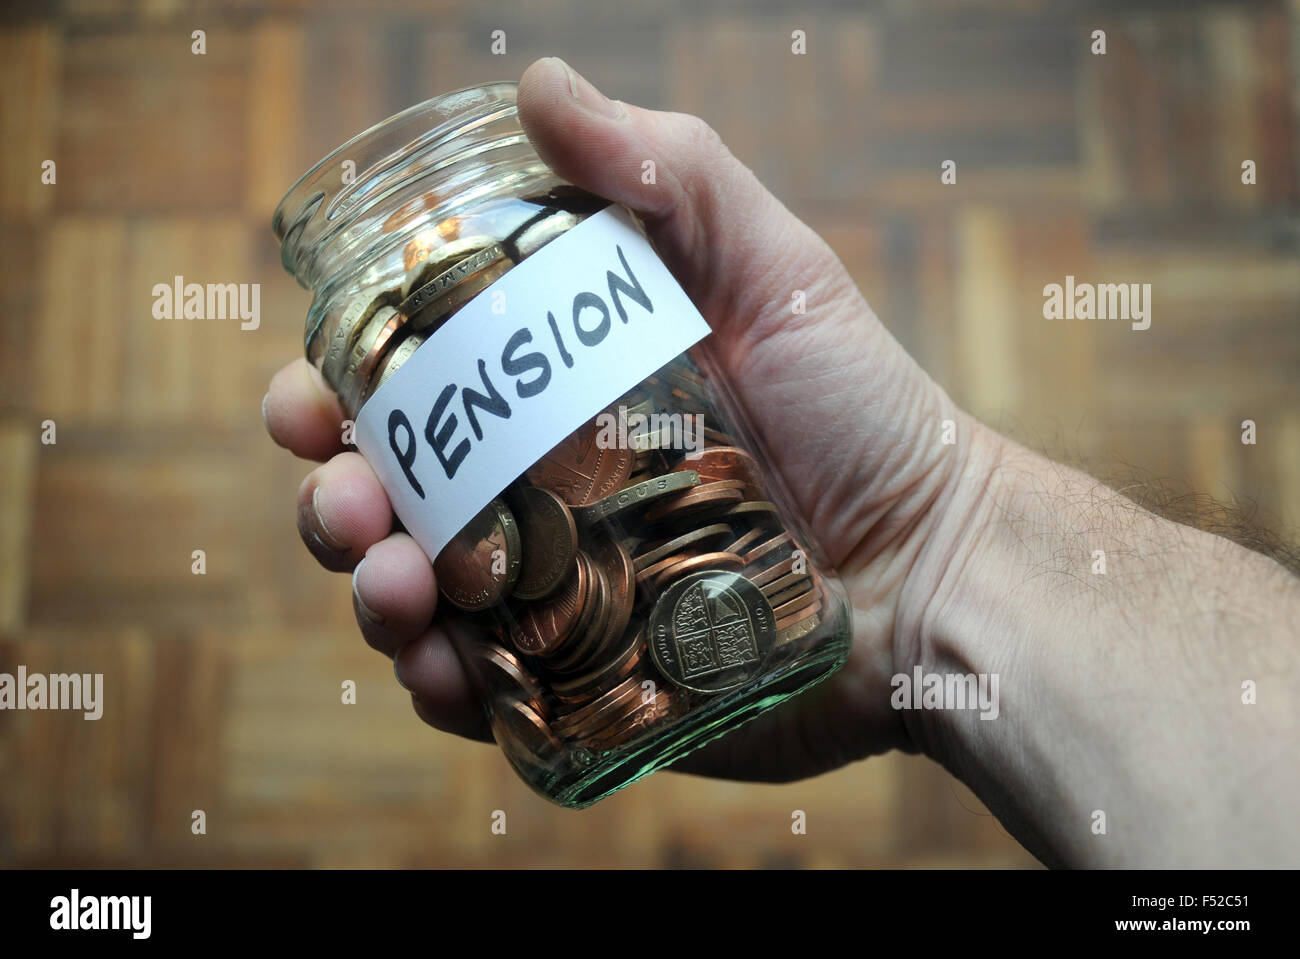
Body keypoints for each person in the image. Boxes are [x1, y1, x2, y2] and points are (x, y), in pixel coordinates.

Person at [263, 57, 1300, 867]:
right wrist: (947, 549)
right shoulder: (396, 324)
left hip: (799, 611)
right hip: (624, 695)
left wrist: (938, 527)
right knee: (375, 539)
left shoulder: (557, 220)